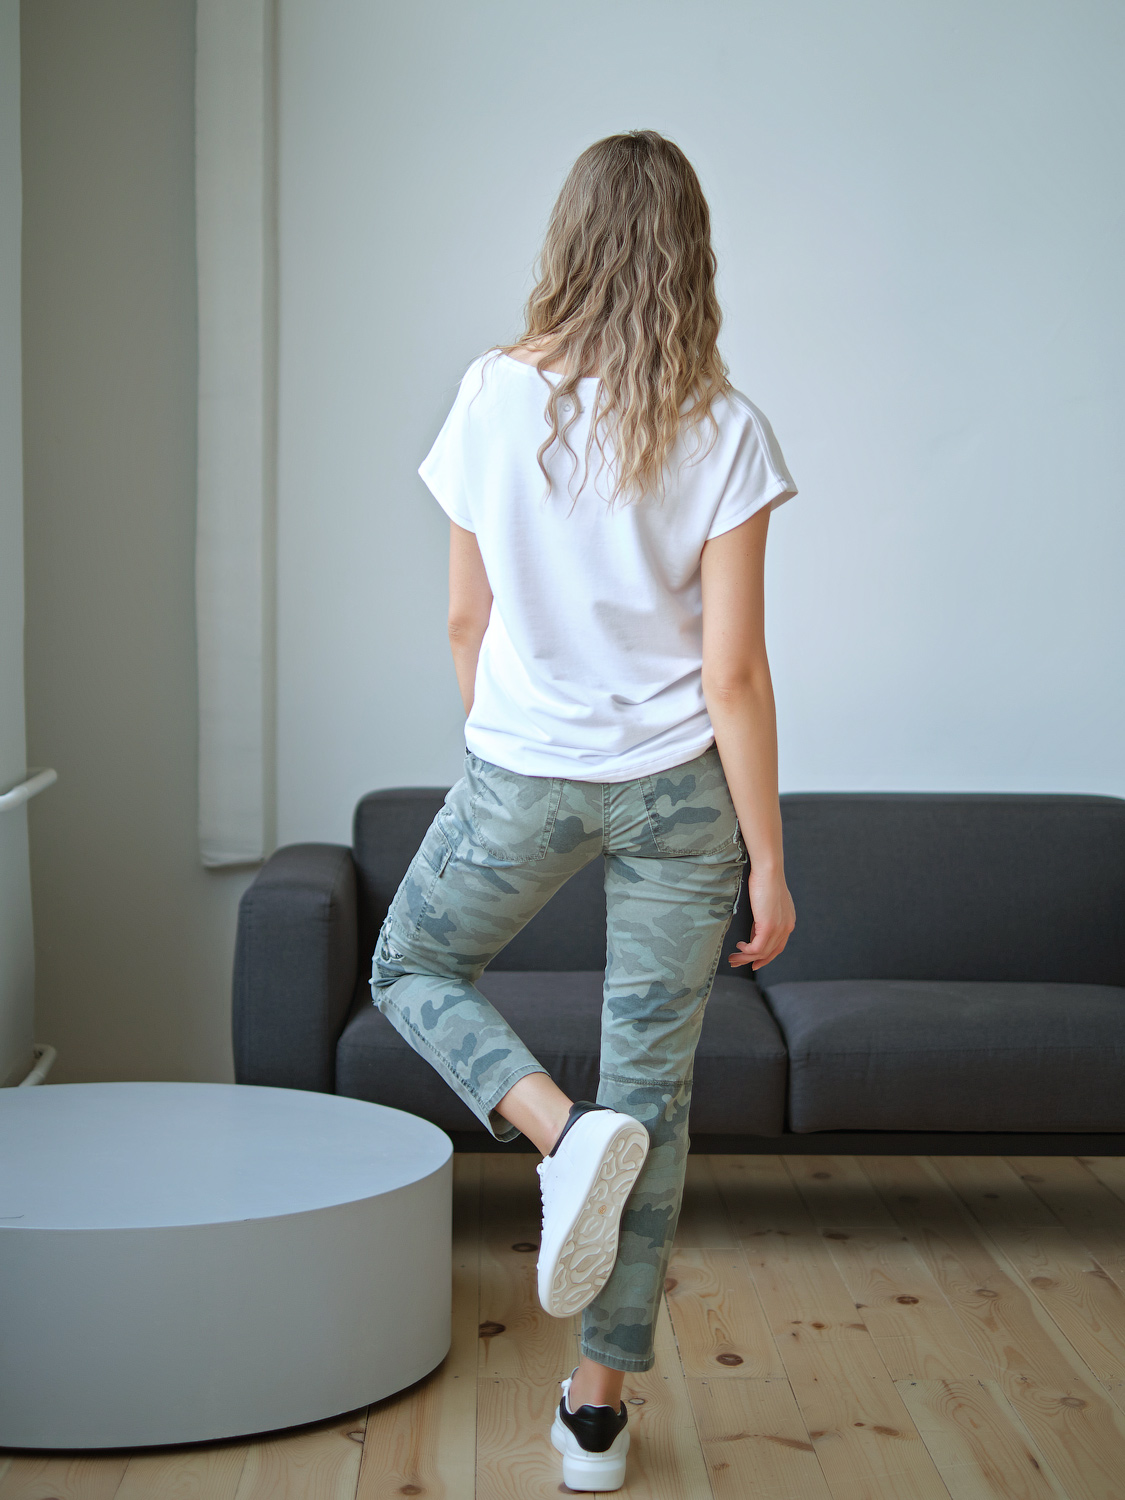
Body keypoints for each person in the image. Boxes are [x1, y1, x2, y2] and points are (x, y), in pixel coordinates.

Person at [371, 128, 797, 1493]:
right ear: (692, 255)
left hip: (524, 772)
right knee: (652, 1093)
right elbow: (731, 674)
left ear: (568, 242)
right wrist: (768, 861)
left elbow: (465, 618)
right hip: (681, 797)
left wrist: (505, 748)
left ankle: (559, 1132)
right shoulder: (727, 429)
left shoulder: (490, 395)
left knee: (411, 965)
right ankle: (596, 1417)